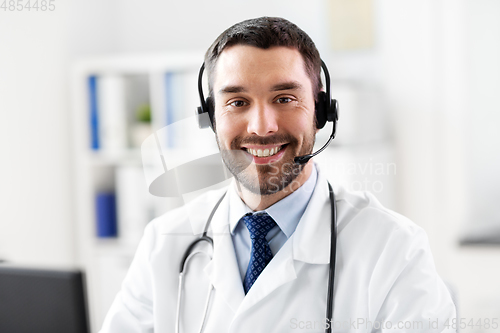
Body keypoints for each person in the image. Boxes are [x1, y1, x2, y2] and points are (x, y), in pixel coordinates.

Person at [100, 17, 456, 333]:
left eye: (284, 98)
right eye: (237, 102)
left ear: (320, 111)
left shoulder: (393, 249)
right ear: (211, 119)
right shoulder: (165, 244)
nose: (261, 127)